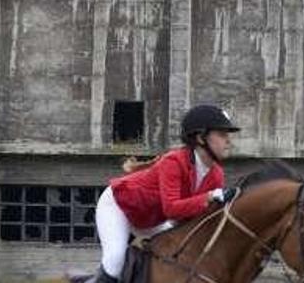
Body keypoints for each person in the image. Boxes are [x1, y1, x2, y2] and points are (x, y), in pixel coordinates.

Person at [90, 104, 241, 283]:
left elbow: (196, 219)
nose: (228, 141)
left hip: (151, 220)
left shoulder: (216, 174)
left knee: (179, 252)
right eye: (222, 135)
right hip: (119, 206)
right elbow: (171, 209)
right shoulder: (174, 161)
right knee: (115, 260)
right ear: (201, 138)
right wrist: (209, 197)